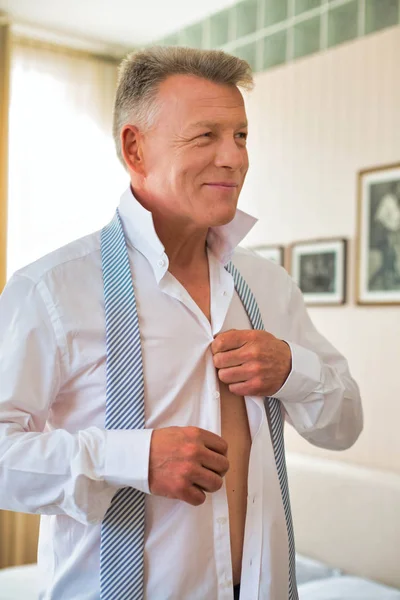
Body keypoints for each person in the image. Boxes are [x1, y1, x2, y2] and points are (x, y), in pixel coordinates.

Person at [0, 46, 363, 600]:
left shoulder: (269, 286)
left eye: (241, 136)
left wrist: (293, 370)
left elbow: (345, 426)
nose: (234, 158)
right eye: (206, 136)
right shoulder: (50, 290)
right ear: (134, 148)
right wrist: (133, 459)